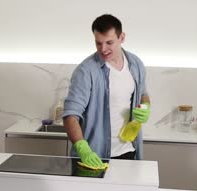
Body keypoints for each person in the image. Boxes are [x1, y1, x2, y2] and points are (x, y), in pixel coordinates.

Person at [62, 14, 151, 167]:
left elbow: (143, 94)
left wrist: (145, 107)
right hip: (94, 156)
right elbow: (70, 115)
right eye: (98, 43)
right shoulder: (86, 71)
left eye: (109, 42)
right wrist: (83, 149)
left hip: (129, 151)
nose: (103, 49)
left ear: (121, 37)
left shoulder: (135, 64)